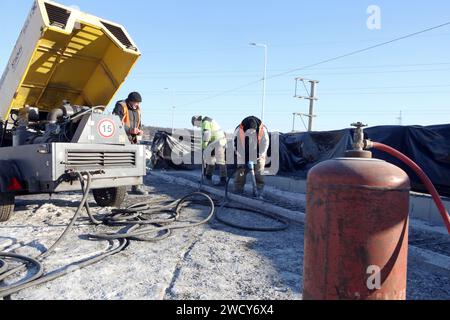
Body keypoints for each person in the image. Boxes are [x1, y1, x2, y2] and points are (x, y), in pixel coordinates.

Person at [113, 92, 148, 196]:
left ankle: (136, 186)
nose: (137, 105)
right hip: (121, 139)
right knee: (120, 164)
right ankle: (117, 189)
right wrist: (129, 130)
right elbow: (115, 123)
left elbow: (139, 123)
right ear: (130, 100)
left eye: (138, 103)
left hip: (133, 140)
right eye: (136, 102)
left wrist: (139, 131)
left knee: (138, 162)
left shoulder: (138, 109)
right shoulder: (121, 106)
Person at [233, 116, 270, 196]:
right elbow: (235, 145)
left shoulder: (263, 130)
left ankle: (258, 191)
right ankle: (238, 189)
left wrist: (259, 155)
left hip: (258, 152)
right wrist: (242, 156)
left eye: (253, 132)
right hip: (243, 152)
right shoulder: (239, 130)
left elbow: (265, 144)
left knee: (259, 172)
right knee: (241, 172)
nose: (251, 134)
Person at [192, 116, 228, 187]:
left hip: (219, 142)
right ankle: (207, 178)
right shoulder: (205, 122)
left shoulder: (205, 122)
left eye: (196, 125)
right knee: (210, 160)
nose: (197, 127)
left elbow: (206, 135)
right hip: (213, 143)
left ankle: (223, 180)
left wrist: (204, 147)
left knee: (220, 161)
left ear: (197, 121)